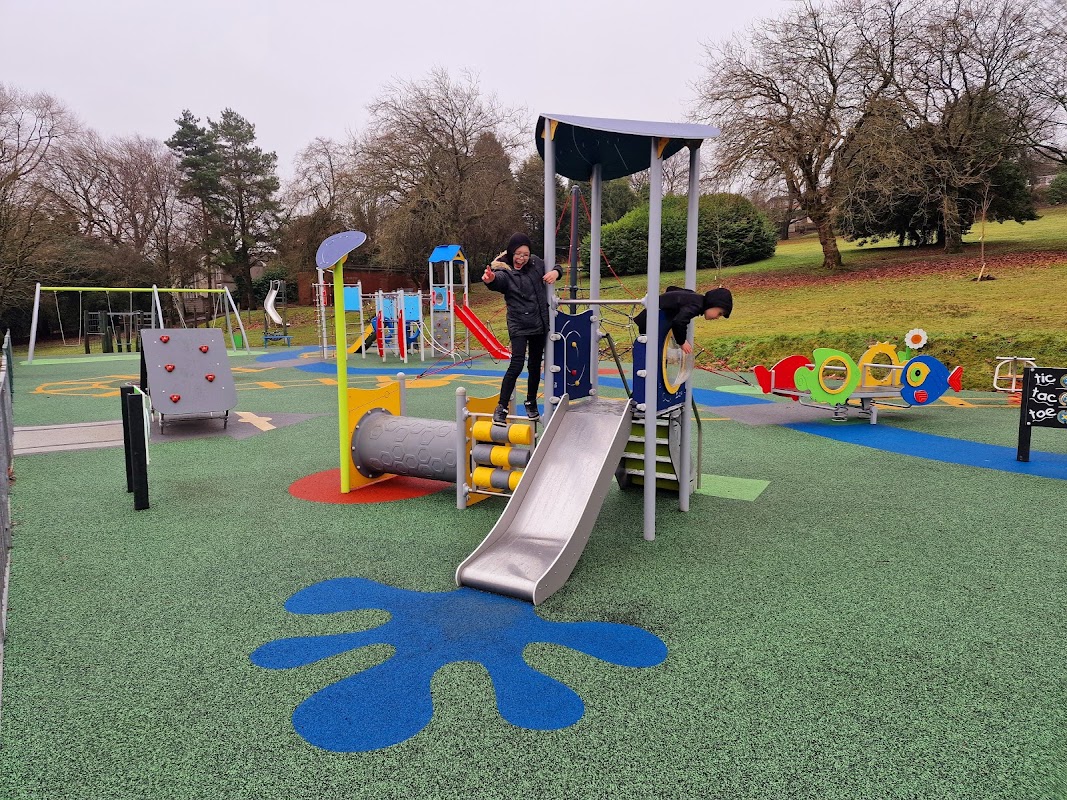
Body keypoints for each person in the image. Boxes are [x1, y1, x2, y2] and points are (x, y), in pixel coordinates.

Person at [482, 232, 561, 425]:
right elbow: (497, 281)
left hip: (538, 323)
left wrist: (555, 273)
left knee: (535, 365)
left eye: (525, 254)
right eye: (518, 254)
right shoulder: (505, 270)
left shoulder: (535, 263)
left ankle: (531, 402)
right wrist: (490, 279)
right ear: (511, 252)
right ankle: (501, 407)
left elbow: (556, 266)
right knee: (516, 364)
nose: (521, 258)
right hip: (518, 324)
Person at [634, 286, 733, 354]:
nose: (717, 317)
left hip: (650, 320)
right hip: (649, 322)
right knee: (653, 353)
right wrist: (682, 342)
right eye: (719, 313)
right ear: (713, 303)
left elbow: (671, 288)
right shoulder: (696, 306)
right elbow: (679, 321)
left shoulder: (693, 297)